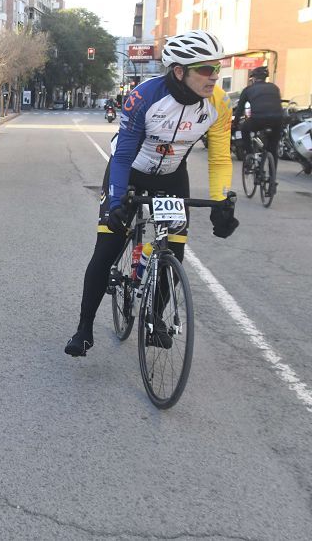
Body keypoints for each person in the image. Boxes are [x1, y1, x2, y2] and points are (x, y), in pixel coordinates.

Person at [64, 30, 238, 357]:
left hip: (171, 176)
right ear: (178, 71)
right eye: (205, 68)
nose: (214, 75)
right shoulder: (145, 97)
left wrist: (222, 201)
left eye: (217, 67)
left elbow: (219, 157)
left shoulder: (219, 103)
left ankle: (154, 318)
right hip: (130, 171)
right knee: (108, 245)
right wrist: (117, 203)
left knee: (175, 251)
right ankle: (84, 328)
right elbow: (124, 155)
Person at [235, 65, 285, 163]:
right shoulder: (274, 87)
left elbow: (240, 108)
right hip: (277, 120)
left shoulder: (248, 89)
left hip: (258, 119)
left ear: (253, 78)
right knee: (273, 148)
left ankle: (249, 153)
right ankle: (272, 175)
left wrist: (235, 123)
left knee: (244, 129)